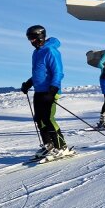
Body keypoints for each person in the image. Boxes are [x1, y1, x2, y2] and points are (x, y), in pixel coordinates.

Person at [20, 25, 68, 157]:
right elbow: (39, 73)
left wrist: (53, 90)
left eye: (33, 38)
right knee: (39, 119)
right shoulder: (36, 53)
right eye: (29, 39)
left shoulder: (50, 51)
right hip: (39, 91)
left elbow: (58, 72)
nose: (31, 41)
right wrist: (28, 83)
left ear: (40, 37)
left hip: (50, 91)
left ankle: (62, 146)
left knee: (48, 119)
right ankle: (49, 145)